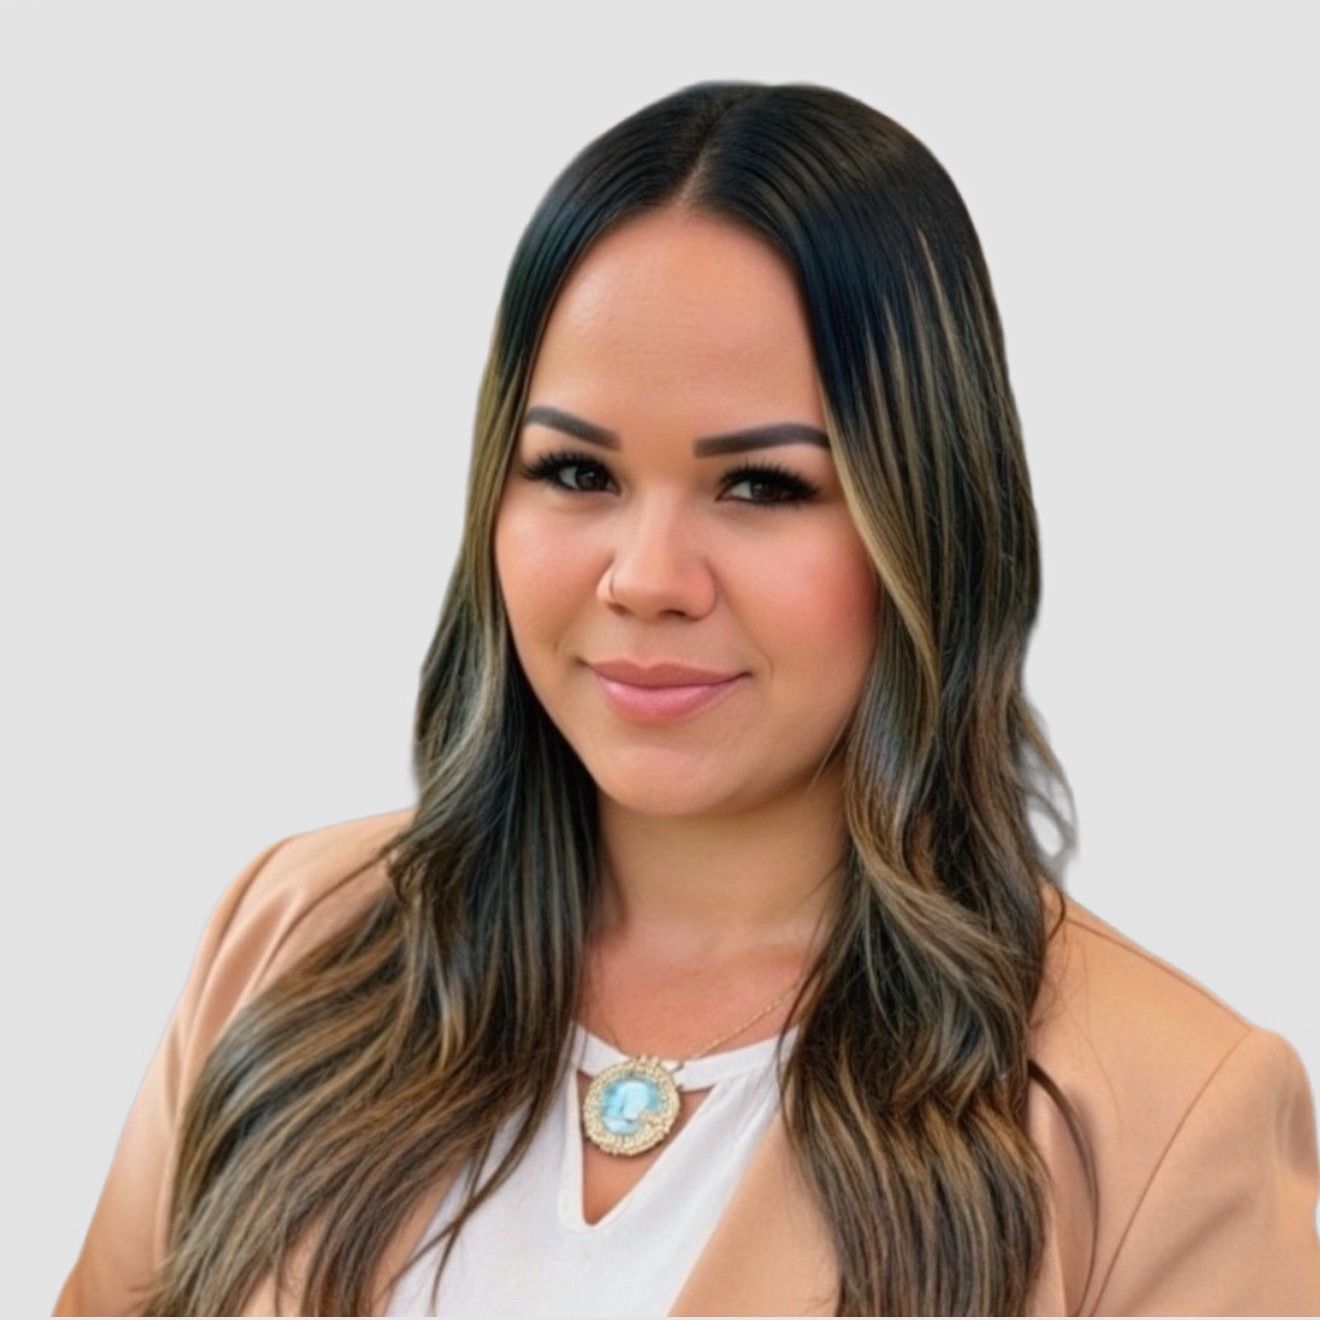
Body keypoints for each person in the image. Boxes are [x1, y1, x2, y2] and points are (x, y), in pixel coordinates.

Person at [54, 80, 1320, 1318]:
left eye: (763, 486)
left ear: (927, 522)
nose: (646, 578)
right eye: (576, 469)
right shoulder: (289, 943)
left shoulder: (1168, 1118)